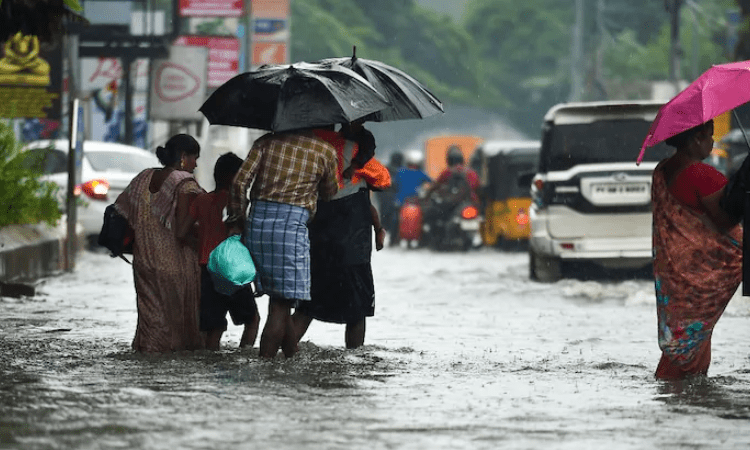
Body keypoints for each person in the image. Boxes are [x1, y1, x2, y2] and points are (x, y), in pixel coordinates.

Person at [227, 129, 339, 358]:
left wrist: (239, 216)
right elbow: (329, 193)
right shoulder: (324, 151)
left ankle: (291, 357)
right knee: (280, 304)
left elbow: (239, 182)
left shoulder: (266, 142)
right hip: (290, 228)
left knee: (281, 298)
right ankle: (266, 368)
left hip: (257, 225)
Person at [651, 119, 742, 380]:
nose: (712, 142)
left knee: (686, 334)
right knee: (694, 337)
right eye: (708, 136)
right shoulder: (700, 175)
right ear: (694, 139)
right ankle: (684, 389)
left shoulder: (662, 170)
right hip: (709, 270)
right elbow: (725, 220)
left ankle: (679, 391)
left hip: (678, 272)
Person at [292, 122, 391, 349]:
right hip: (352, 244)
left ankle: (280, 354)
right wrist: (378, 229)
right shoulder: (354, 151)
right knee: (357, 309)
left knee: (306, 307)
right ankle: (354, 359)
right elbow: (382, 182)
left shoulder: (305, 148)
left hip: (317, 241)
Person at [113, 134, 206, 353]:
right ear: (183, 157)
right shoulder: (185, 184)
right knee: (177, 329)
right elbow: (182, 231)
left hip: (144, 261)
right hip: (175, 265)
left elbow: (123, 211)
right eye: (194, 158)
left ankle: (146, 358)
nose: (196, 164)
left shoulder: (143, 177)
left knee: (151, 321)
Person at [189, 152, 260, 351]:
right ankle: (244, 356)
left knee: (215, 326)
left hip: (206, 269)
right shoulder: (237, 203)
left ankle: (210, 362)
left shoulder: (201, 200)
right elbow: (244, 234)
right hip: (232, 269)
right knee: (252, 320)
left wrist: (203, 239)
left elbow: (183, 230)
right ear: (233, 177)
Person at [375, 151, 403, 247]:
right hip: (392, 198)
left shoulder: (386, 169)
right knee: (394, 218)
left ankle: (390, 238)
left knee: (386, 219)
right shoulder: (401, 170)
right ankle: (393, 238)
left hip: (385, 197)